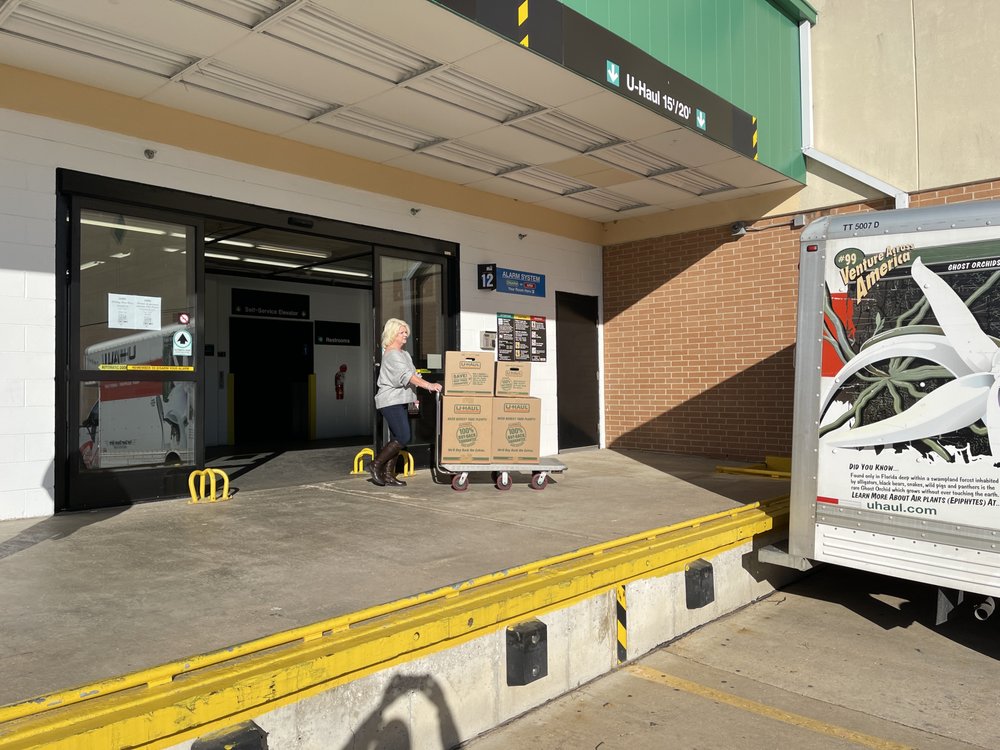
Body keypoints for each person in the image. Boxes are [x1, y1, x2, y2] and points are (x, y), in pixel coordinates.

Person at [371, 318, 442, 487]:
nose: (405, 336)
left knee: (398, 438)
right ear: (392, 334)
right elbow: (406, 376)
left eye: (406, 332)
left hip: (402, 399)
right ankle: (375, 465)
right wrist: (428, 385)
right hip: (391, 400)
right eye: (401, 333)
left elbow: (413, 374)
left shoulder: (403, 354)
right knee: (403, 436)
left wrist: (417, 387)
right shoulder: (392, 354)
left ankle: (388, 475)